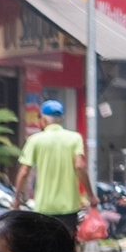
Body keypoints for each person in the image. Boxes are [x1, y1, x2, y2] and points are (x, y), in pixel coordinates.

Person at [14, 99, 91, 236]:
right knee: (68, 245)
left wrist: (17, 197)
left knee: (45, 247)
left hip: (44, 207)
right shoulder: (74, 138)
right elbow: (79, 166)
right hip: (69, 207)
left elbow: (24, 171)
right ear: (61, 119)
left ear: (43, 119)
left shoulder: (35, 140)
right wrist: (91, 195)